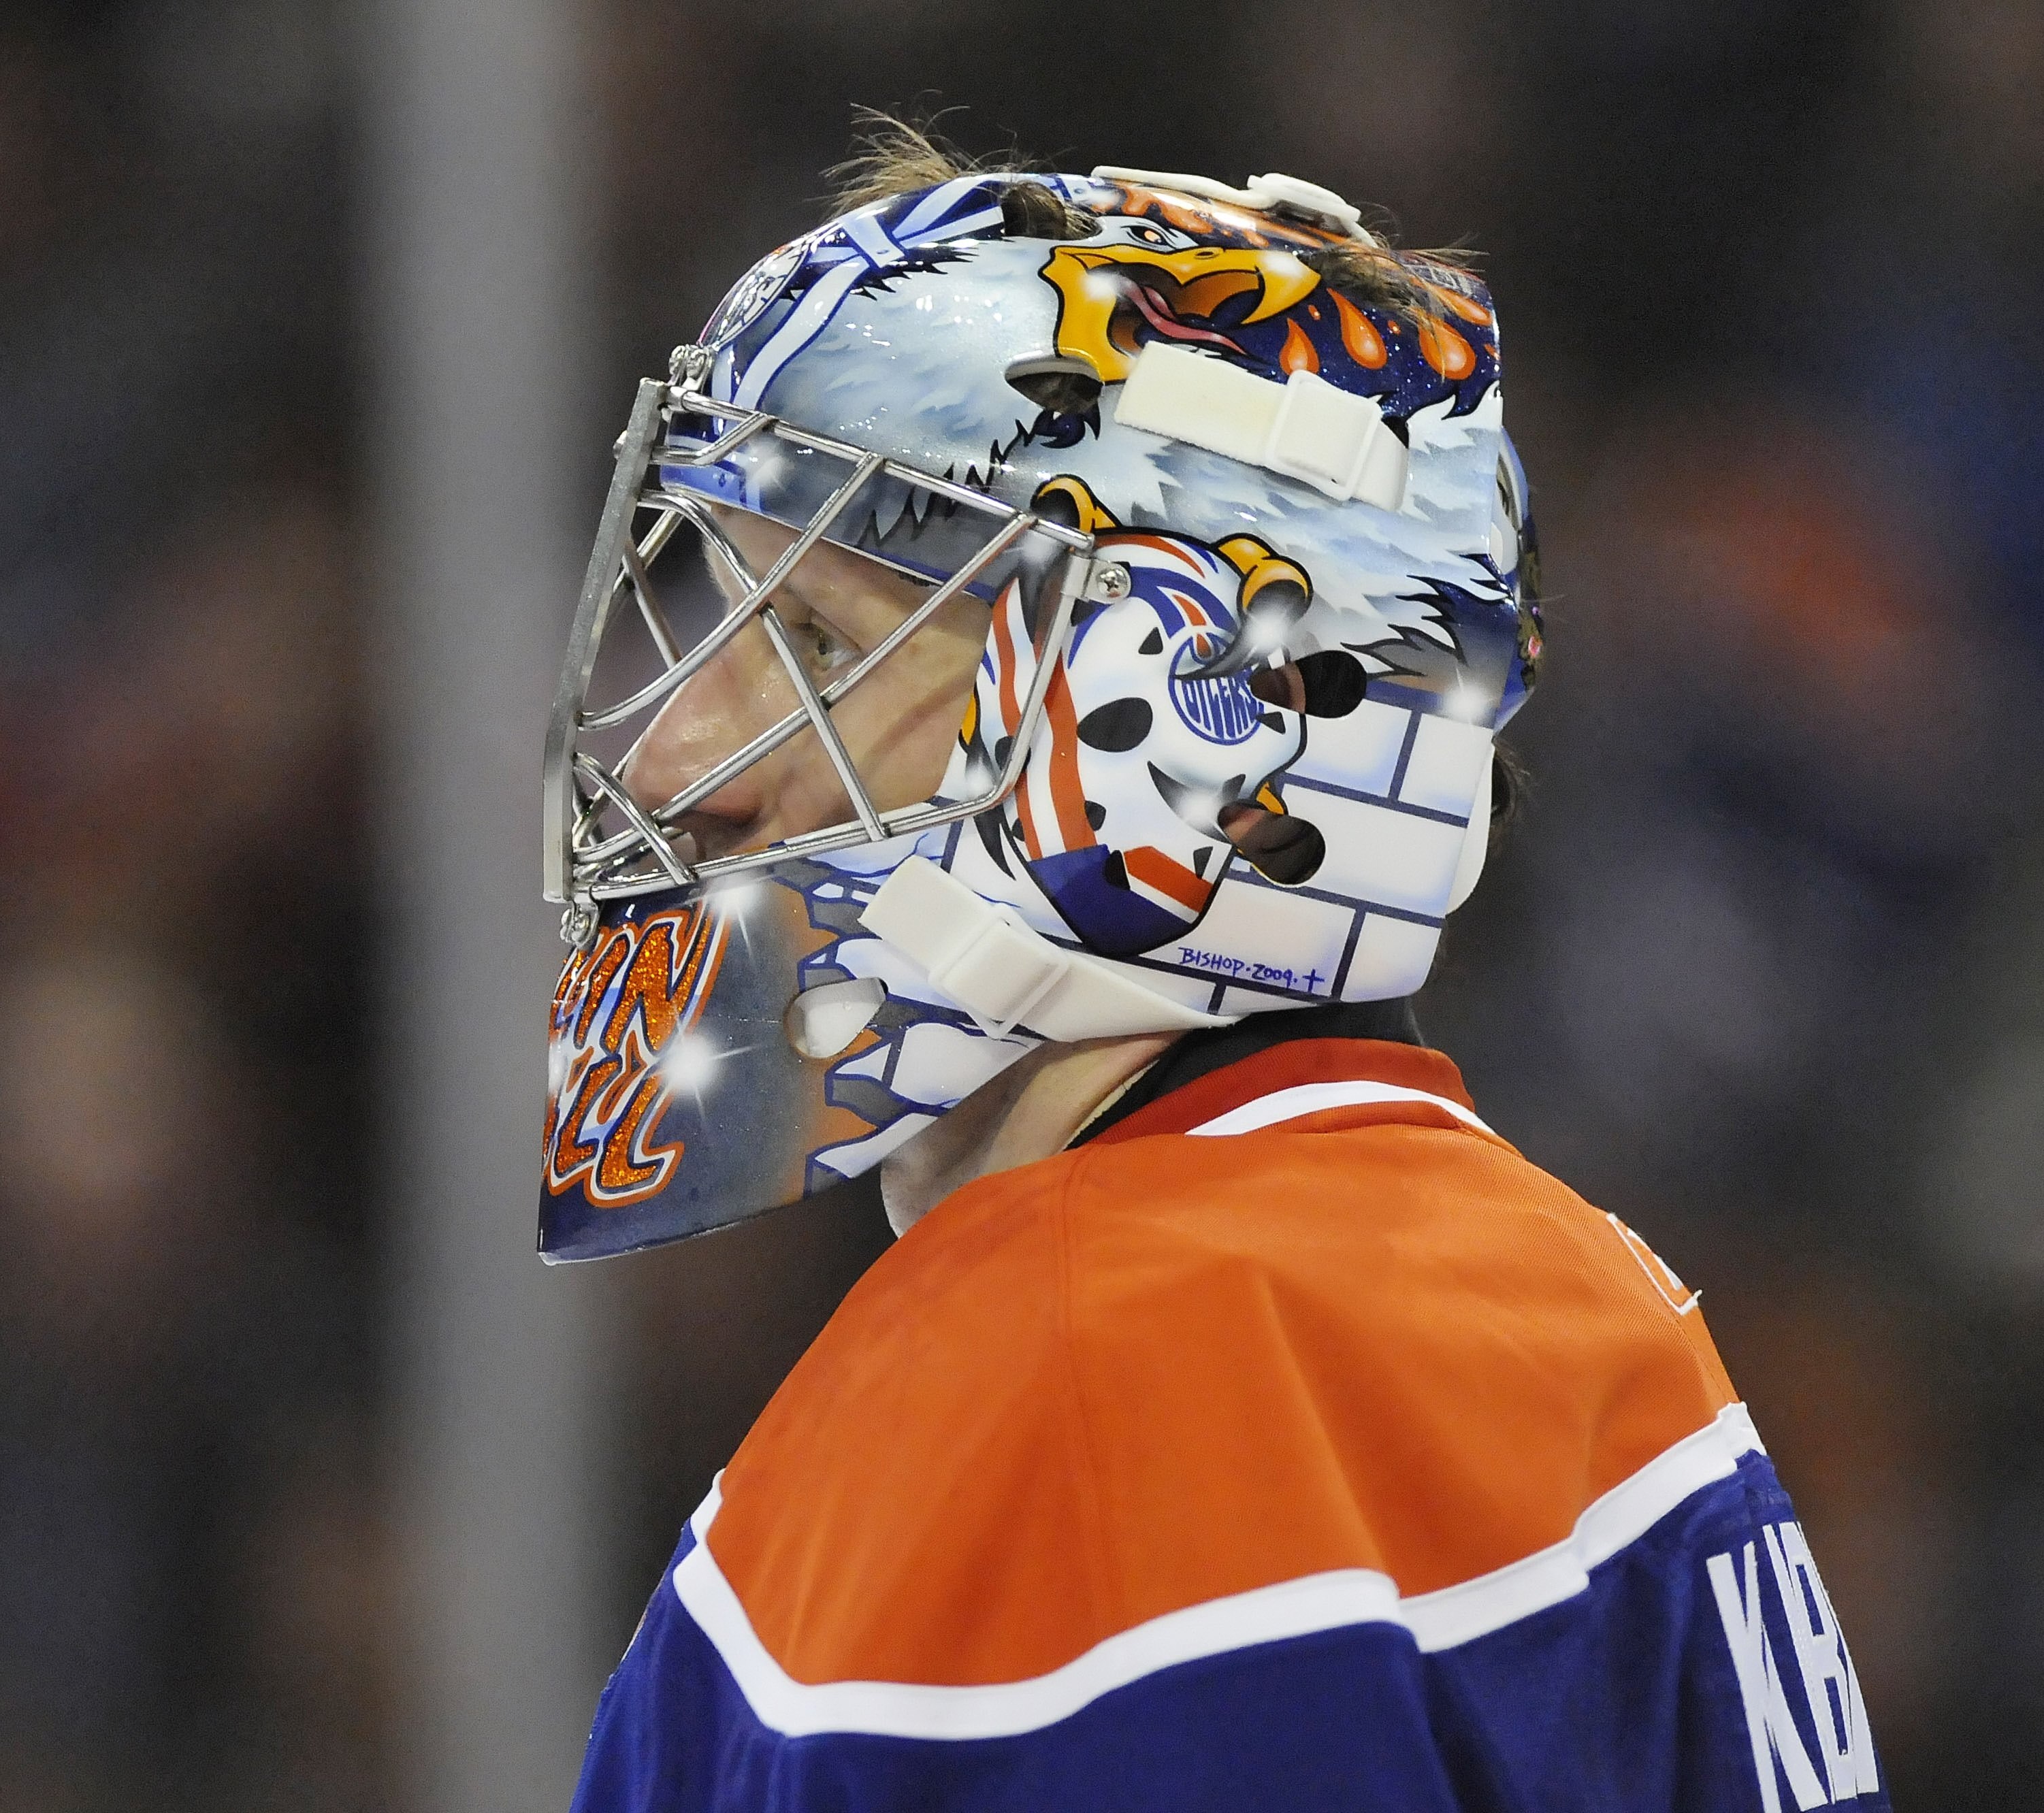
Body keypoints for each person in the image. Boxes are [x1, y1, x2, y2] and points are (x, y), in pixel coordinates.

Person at [537, 127, 1885, 1811]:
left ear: (1194, 701)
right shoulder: (1581, 1301)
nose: (677, 751)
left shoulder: (1070, 1393)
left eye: (816, 639)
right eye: (714, 618)